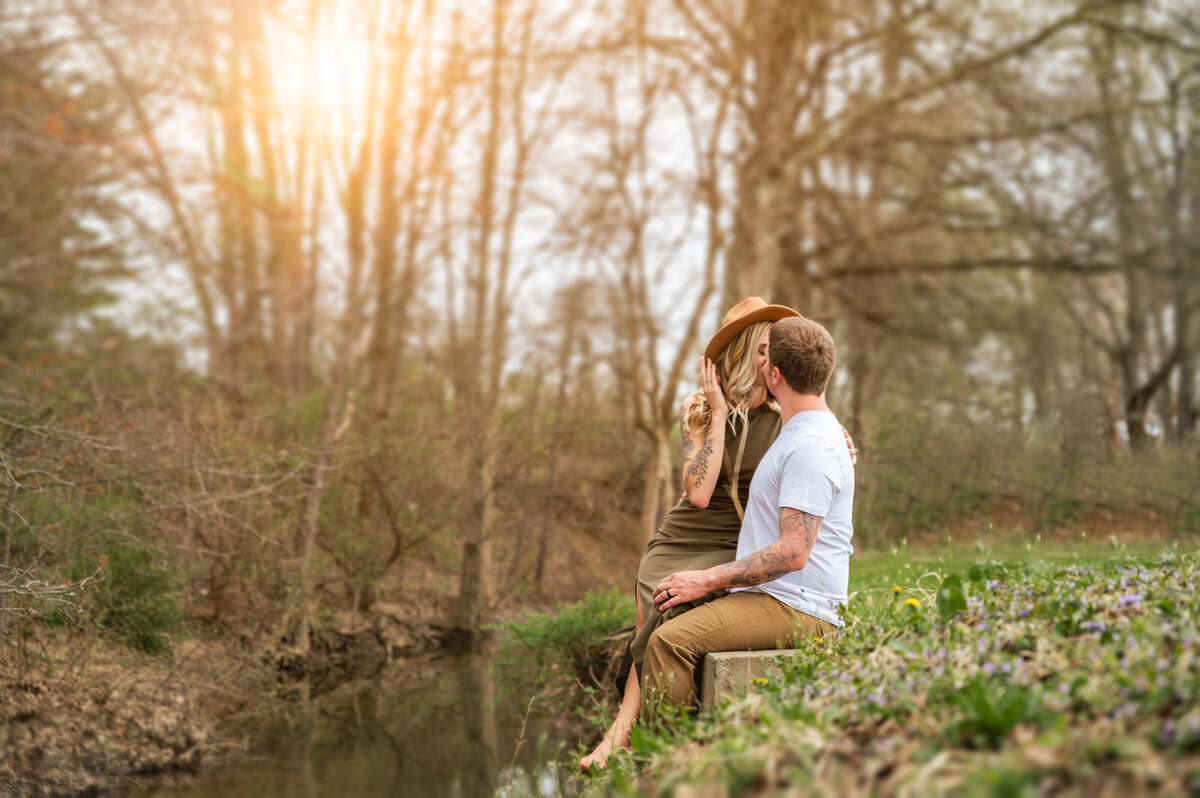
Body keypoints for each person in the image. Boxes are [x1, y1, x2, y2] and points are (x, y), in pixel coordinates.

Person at [579, 299, 855, 771]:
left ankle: (657, 760)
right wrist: (720, 413)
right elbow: (700, 494)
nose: (769, 359)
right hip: (699, 530)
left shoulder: (792, 417)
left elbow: (814, 460)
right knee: (666, 602)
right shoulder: (704, 409)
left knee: (677, 624)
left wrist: (838, 440)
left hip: (753, 542)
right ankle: (630, 735)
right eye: (762, 347)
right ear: (744, 350)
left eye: (775, 350)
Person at [644, 316, 854, 708]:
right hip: (777, 595)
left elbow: (793, 552)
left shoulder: (811, 444)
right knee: (668, 619)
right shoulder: (801, 431)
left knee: (669, 643)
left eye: (764, 357)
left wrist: (706, 579)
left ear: (774, 374)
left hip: (798, 607)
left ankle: (665, 763)